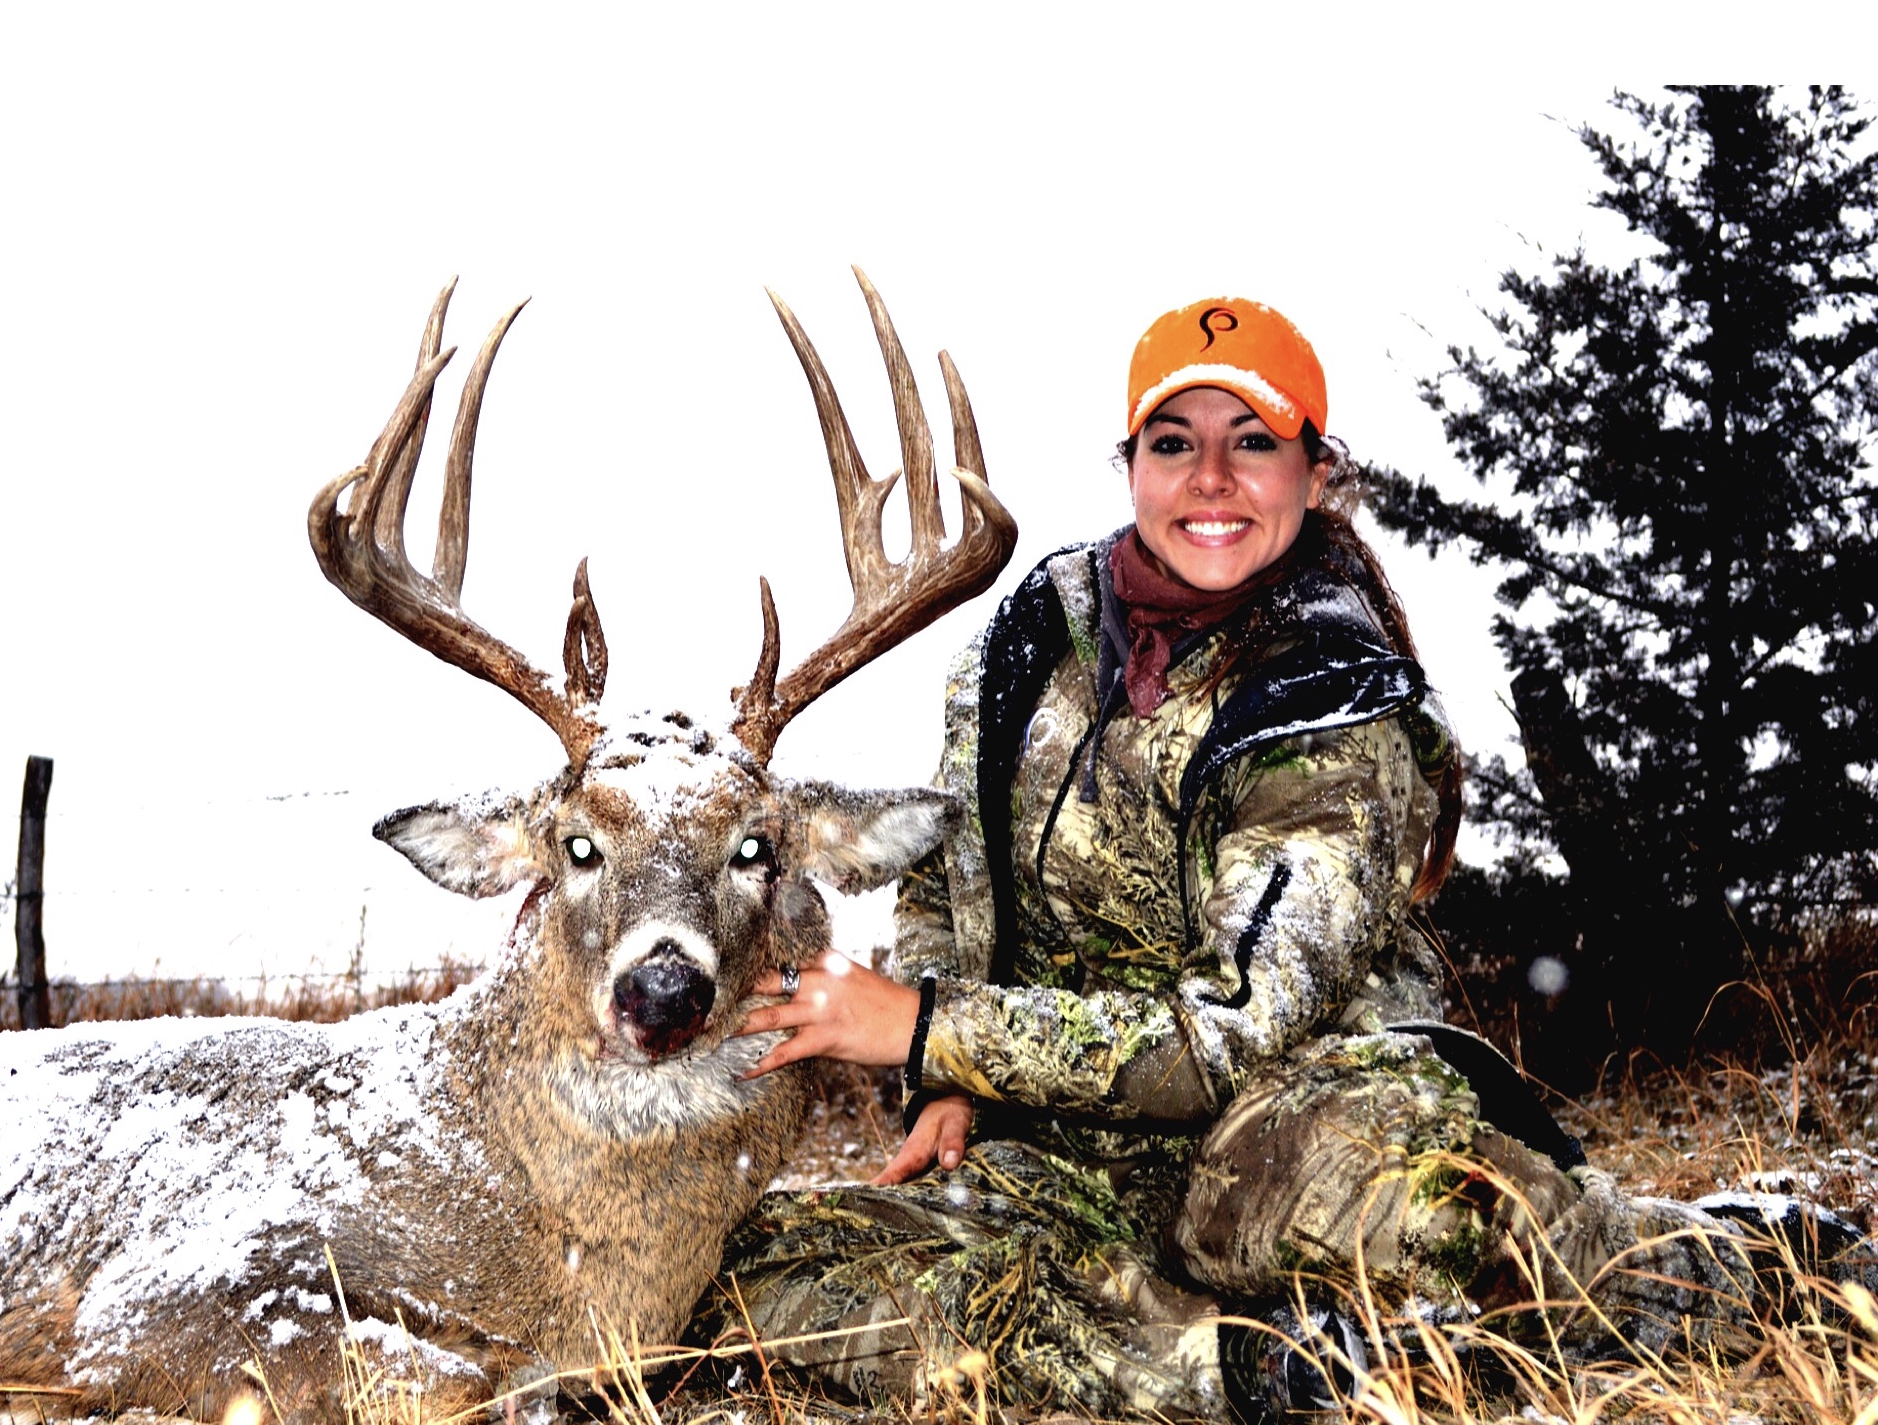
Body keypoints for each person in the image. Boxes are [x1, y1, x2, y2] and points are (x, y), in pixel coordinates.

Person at [699, 297, 1857, 1421]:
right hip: (1060, 1153)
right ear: (1129, 467)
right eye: (1172, 443)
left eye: (1252, 442)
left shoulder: (1333, 707)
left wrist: (925, 1026)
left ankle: (1740, 1265)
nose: (1210, 478)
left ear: (1314, 472)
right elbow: (952, 883)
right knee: (765, 1271)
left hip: (1294, 1131)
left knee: (1334, 1216)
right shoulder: (1022, 645)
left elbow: (1226, 1038)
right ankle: (1255, 1372)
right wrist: (946, 1082)